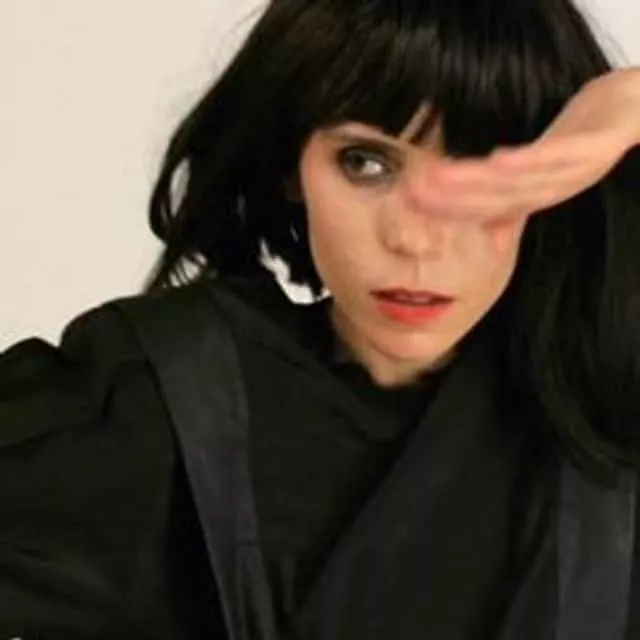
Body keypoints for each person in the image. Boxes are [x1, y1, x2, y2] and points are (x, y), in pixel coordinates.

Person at [1, 0, 640, 638]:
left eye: (484, 172)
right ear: (292, 167)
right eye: (365, 163)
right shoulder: (169, 399)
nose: (417, 238)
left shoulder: (606, 414)